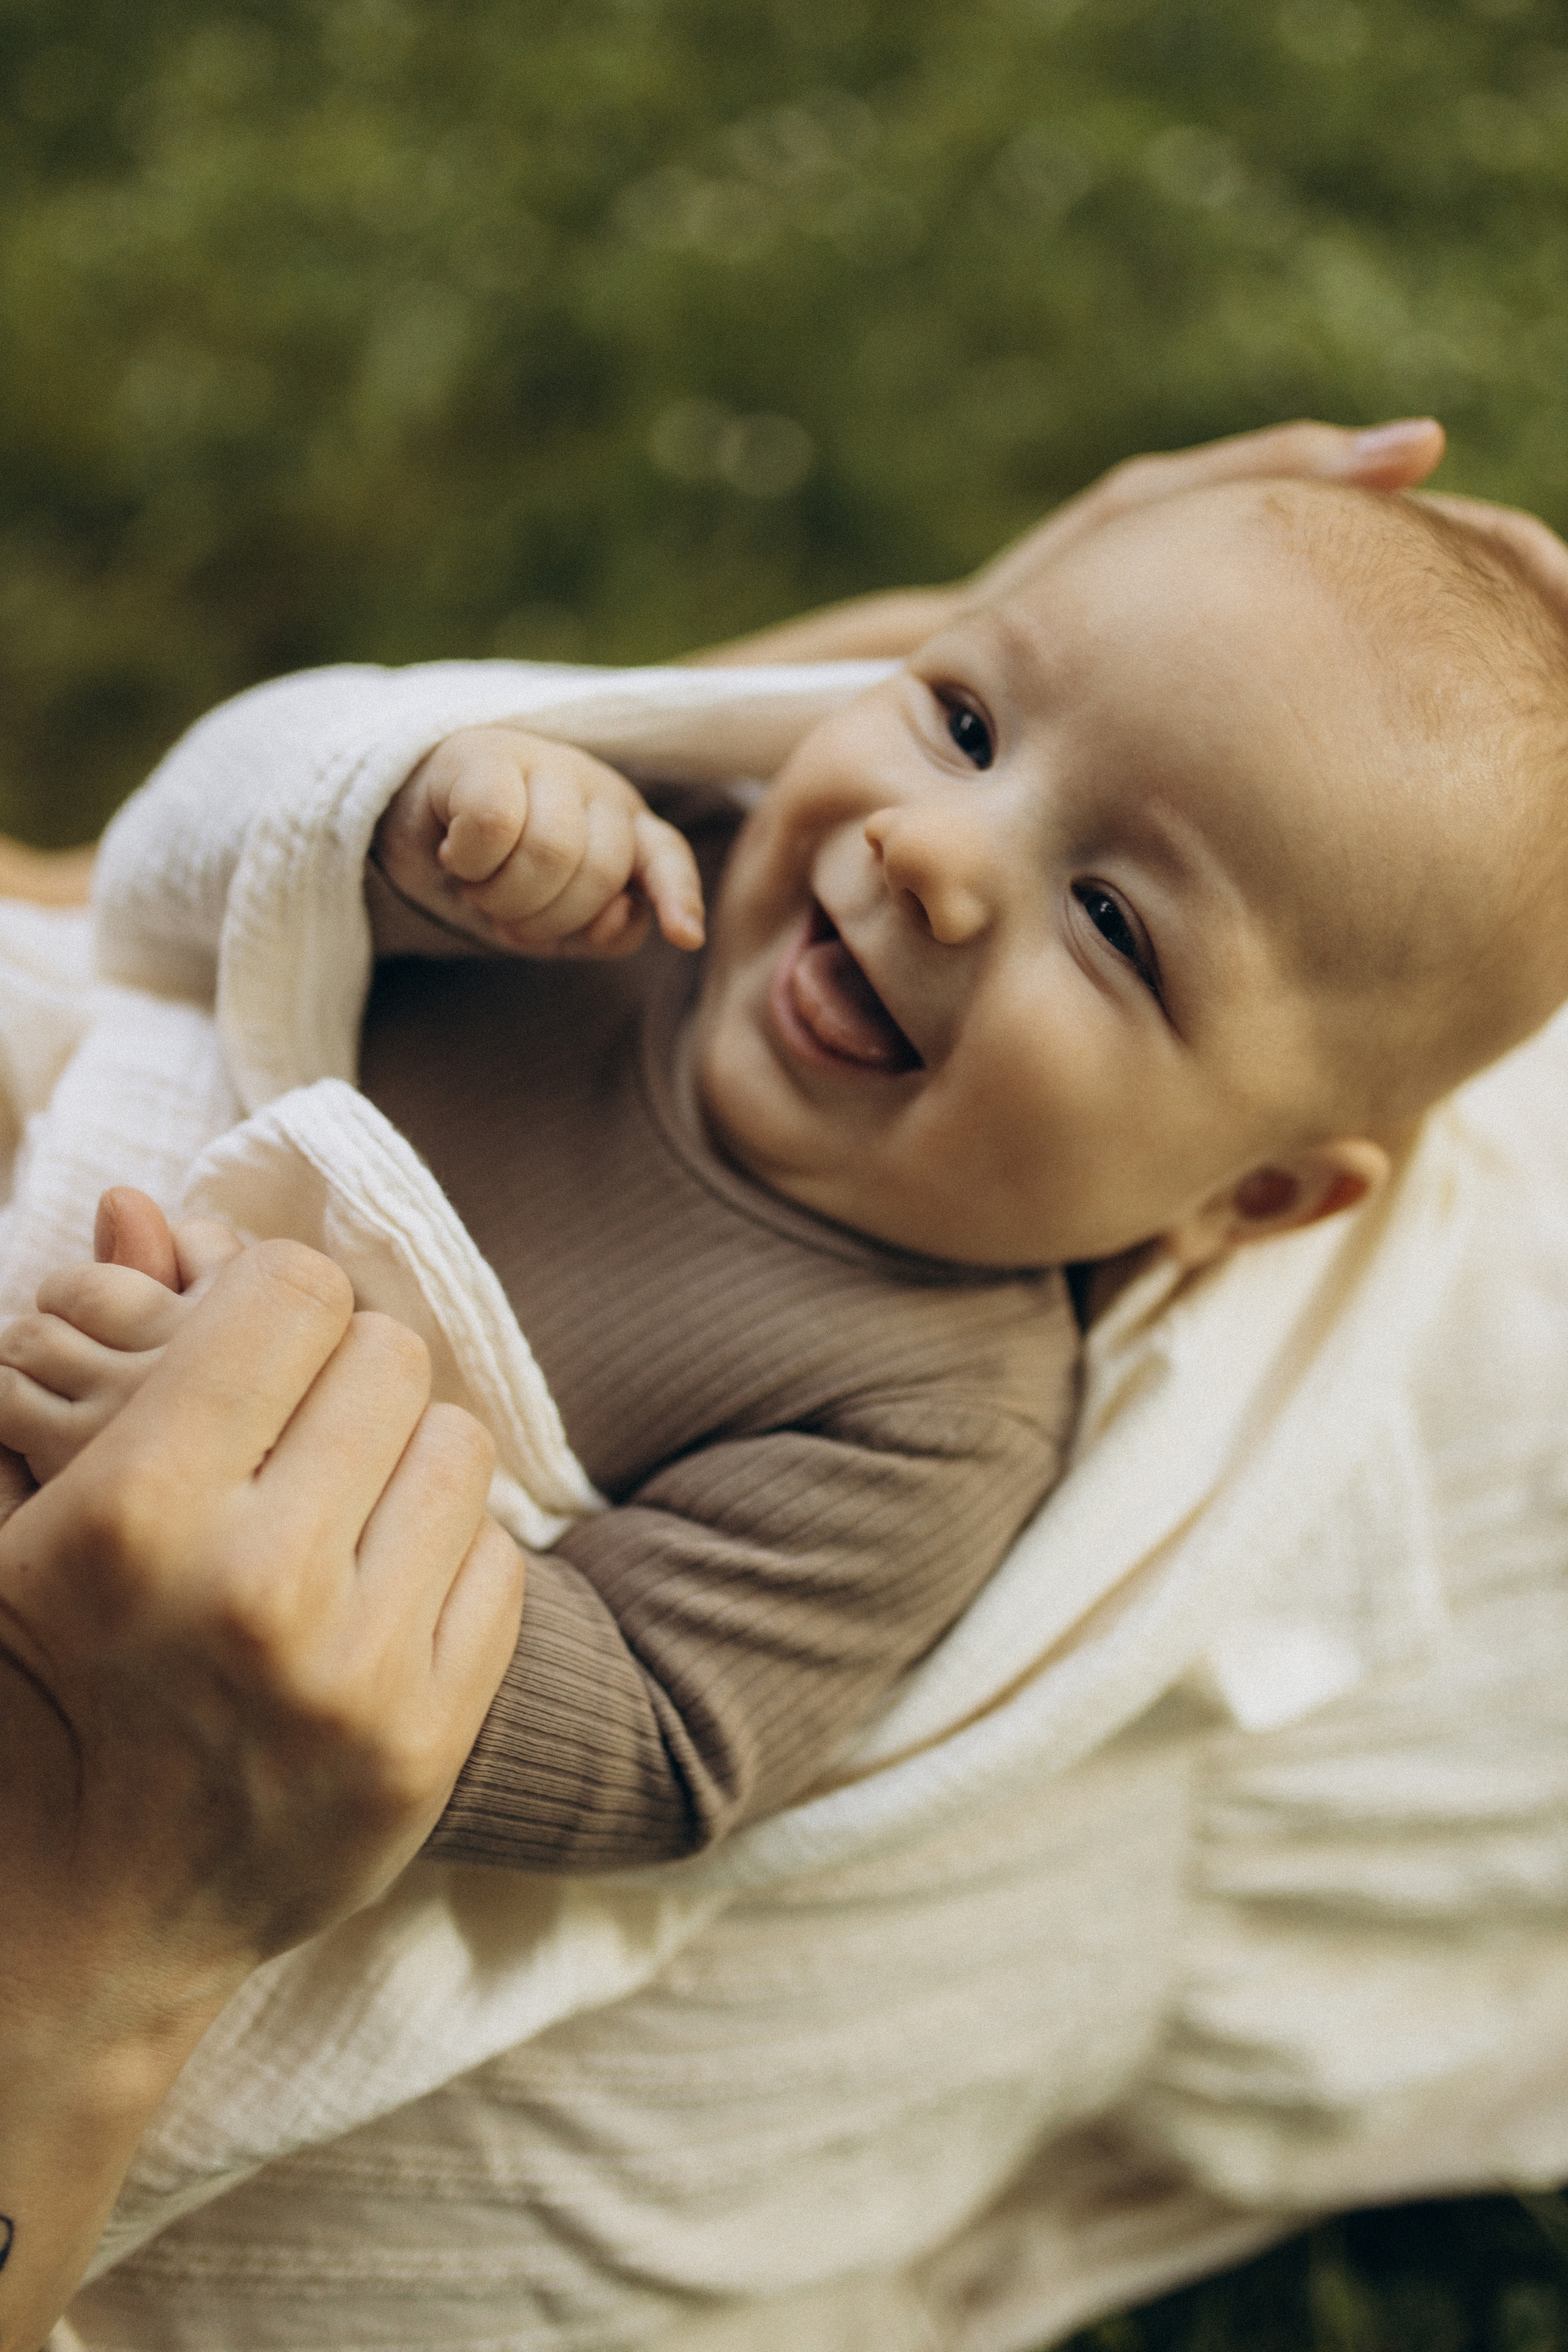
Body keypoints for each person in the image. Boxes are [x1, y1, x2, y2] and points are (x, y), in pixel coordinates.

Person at [6, 414, 1560, 2352]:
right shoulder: (654, 871)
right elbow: (207, 883)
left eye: (1114, 922)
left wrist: (314, 1544)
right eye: (968, 723)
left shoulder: (927, 1408)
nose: (938, 857)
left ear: (1255, 1193)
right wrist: (420, 815)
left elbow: (672, 1733)